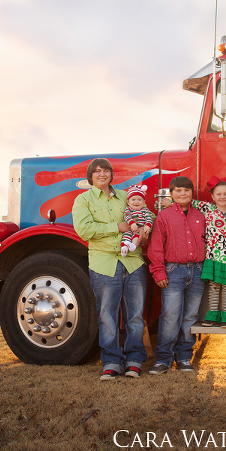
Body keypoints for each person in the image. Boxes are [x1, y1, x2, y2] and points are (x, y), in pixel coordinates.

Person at [72, 159, 150, 380]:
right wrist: (118, 227)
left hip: (133, 262)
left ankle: (134, 361)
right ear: (90, 176)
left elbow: (147, 214)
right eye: (97, 171)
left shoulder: (125, 197)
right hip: (104, 263)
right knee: (107, 315)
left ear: (111, 174)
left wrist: (145, 230)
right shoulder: (82, 200)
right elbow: (84, 230)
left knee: (135, 315)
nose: (102, 174)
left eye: (106, 170)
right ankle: (111, 362)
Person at [147, 176, 206, 374]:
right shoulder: (164, 216)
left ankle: (184, 358)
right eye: (178, 190)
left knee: (190, 316)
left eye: (187, 190)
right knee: (171, 315)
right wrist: (159, 271)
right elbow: (156, 246)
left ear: (192, 194)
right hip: (173, 271)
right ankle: (163, 360)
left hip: (197, 271)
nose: (183, 194)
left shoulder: (200, 216)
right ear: (171, 194)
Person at [193, 176, 226, 328]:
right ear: (212, 197)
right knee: (214, 286)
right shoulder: (208, 209)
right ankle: (212, 315)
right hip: (212, 256)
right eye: (219, 194)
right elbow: (189, 201)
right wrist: (169, 201)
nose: (222, 197)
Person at [121, 184, 154, 257]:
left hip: (139, 229)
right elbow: (127, 216)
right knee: (126, 235)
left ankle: (133, 246)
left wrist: (148, 225)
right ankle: (124, 248)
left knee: (137, 236)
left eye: (139, 200)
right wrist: (132, 223)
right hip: (130, 228)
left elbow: (149, 218)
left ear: (144, 202)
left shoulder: (145, 210)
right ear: (128, 202)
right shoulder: (128, 209)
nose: (136, 202)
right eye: (133, 200)